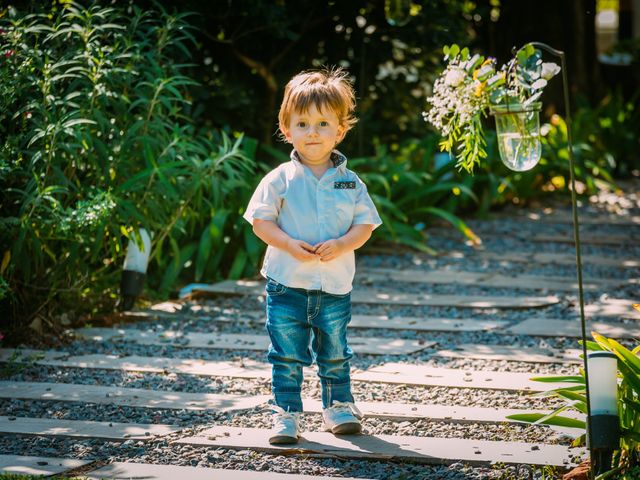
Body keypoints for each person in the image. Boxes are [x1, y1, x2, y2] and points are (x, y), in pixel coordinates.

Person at [243, 67, 382, 445]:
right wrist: (287, 243)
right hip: (286, 284)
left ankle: (338, 406)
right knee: (286, 354)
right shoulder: (280, 178)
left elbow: (365, 225)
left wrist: (343, 243)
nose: (313, 132)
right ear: (287, 129)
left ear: (340, 130)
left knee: (335, 350)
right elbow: (260, 222)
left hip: (334, 285)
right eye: (302, 124)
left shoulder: (349, 182)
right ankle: (285, 413)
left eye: (323, 123)